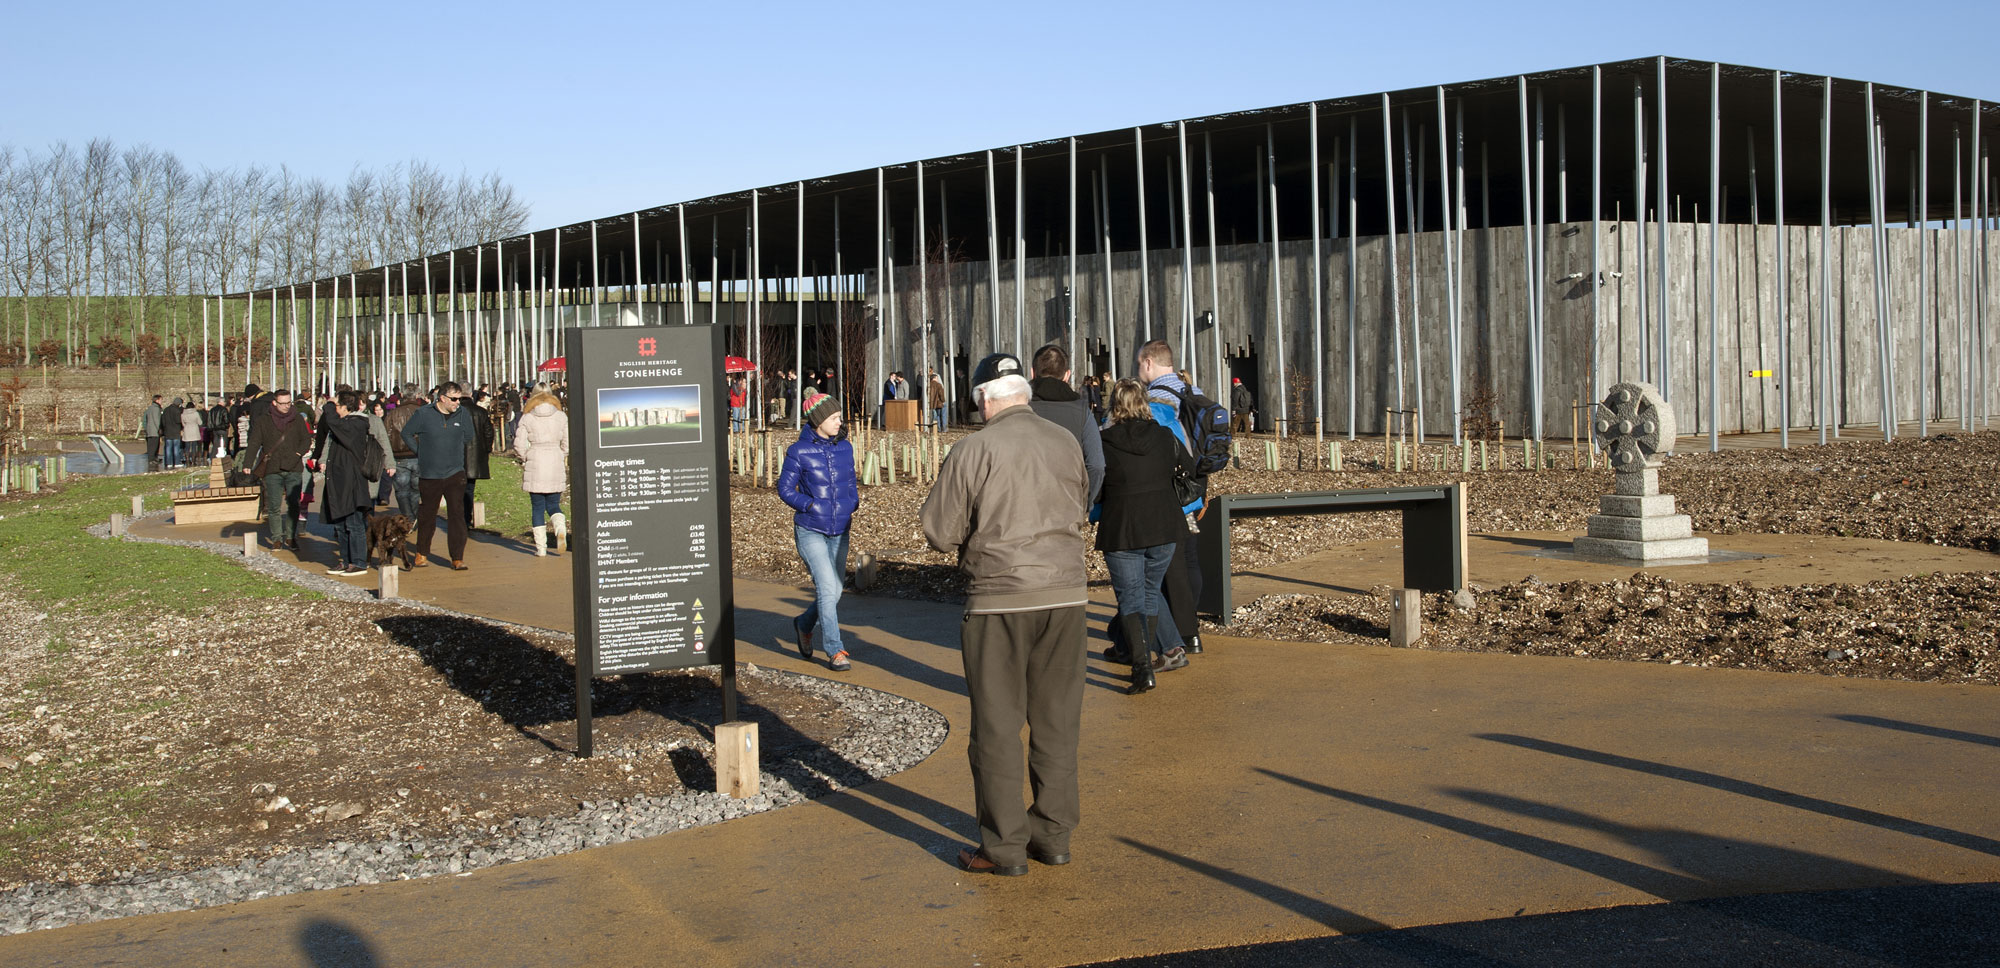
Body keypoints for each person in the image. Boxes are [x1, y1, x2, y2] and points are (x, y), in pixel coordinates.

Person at [920, 353, 1089, 877]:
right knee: (1057, 724)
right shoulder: (1066, 441)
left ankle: (1004, 847)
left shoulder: (974, 449)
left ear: (984, 400)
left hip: (1000, 597)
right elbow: (1082, 501)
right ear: (1024, 393)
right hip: (1067, 596)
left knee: (997, 727)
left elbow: (938, 530)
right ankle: (1054, 836)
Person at [1095, 379, 1194, 693]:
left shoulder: (1104, 441)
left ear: (1115, 405)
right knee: (1150, 592)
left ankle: (1142, 670)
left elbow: (1094, 482)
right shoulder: (1164, 437)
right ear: (1144, 404)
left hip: (1122, 527)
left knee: (1131, 597)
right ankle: (1146, 661)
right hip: (1165, 525)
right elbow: (1190, 469)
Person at [1134, 339, 1207, 655]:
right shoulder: (1194, 394)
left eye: (1139, 364)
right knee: (1189, 559)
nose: (1138, 370)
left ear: (1149, 362)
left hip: (1168, 494)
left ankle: (1181, 633)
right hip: (1193, 489)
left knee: (1168, 565)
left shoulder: (1156, 402)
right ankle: (1191, 628)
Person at [779, 391, 860, 672]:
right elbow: (785, 489)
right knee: (827, 588)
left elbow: (851, 481)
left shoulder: (845, 447)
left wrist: (853, 502)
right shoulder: (798, 451)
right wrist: (810, 504)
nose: (840, 422)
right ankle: (835, 650)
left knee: (835, 591)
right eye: (835, 417)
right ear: (819, 420)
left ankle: (804, 623)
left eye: (839, 417)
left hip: (840, 529)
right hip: (810, 530)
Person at [402, 381, 476, 570]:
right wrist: (420, 451)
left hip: (455, 473)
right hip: (430, 474)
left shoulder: (462, 414)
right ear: (442, 398)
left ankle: (457, 558)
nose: (457, 402)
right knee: (427, 515)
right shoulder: (423, 413)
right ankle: (421, 553)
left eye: (459, 399)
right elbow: (406, 433)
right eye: (453, 399)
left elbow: (469, 436)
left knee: (457, 515)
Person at [1025, 344, 1105, 508]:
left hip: (1025, 503)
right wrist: (1085, 502)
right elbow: (1096, 465)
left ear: (1032, 372)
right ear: (1067, 375)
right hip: (1068, 505)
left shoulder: (1020, 407)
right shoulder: (1082, 411)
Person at [243, 389, 312, 551]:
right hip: (272, 468)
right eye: (283, 403)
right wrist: (247, 463)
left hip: (294, 467)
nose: (287, 406)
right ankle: (276, 538)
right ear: (274, 403)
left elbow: (306, 439)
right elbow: (254, 443)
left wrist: (297, 453)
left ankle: (290, 536)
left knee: (294, 503)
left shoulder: (297, 419)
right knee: (274, 505)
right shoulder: (263, 421)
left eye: (289, 402)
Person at [317, 390, 376, 576]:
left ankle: (358, 562)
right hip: (338, 482)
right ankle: (346, 560)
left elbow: (333, 421)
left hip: (352, 483)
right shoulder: (344, 425)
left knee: (354, 524)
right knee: (341, 525)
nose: (335, 410)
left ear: (344, 407)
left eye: (337, 407)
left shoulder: (356, 424)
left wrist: (328, 404)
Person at [517, 387, 570, 556]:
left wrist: (525, 456)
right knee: (554, 504)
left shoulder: (527, 417)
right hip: (555, 459)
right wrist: (562, 453)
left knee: (537, 507)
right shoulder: (561, 417)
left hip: (536, 459)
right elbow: (567, 441)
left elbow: (518, 444)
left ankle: (541, 548)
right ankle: (560, 527)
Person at [383, 384, 425, 516]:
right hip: (418, 455)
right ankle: (412, 517)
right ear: (418, 395)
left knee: (402, 490)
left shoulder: (393, 414)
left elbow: (386, 436)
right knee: (415, 490)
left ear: (401, 395)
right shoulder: (423, 412)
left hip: (399, 456)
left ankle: (409, 517)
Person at [463, 390, 495, 528]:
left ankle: (459, 518)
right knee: (469, 489)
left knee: (455, 489)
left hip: (456, 457)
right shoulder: (480, 412)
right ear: (471, 394)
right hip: (475, 457)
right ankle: (466, 518)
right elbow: (489, 432)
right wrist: (486, 449)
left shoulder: (455, 412)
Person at [159, 397, 185, 468]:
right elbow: (178, 421)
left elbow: (163, 421)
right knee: (176, 448)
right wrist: (181, 428)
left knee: (168, 448)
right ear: (179, 403)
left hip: (167, 431)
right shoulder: (177, 411)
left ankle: (168, 463)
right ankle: (176, 462)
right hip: (175, 431)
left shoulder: (166, 410)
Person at [178, 399, 204, 466]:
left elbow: (183, 423)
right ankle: (193, 460)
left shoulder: (183, 414)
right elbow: (200, 422)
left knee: (187, 446)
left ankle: (187, 459)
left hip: (187, 430)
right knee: (194, 446)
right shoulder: (196, 413)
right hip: (194, 430)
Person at [139, 395, 163, 466]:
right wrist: (159, 428)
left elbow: (145, 420)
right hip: (154, 431)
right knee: (154, 446)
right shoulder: (156, 409)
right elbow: (156, 420)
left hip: (149, 430)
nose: (162, 401)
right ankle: (152, 459)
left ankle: (153, 458)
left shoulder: (149, 408)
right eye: (161, 400)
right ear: (157, 400)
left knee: (151, 445)